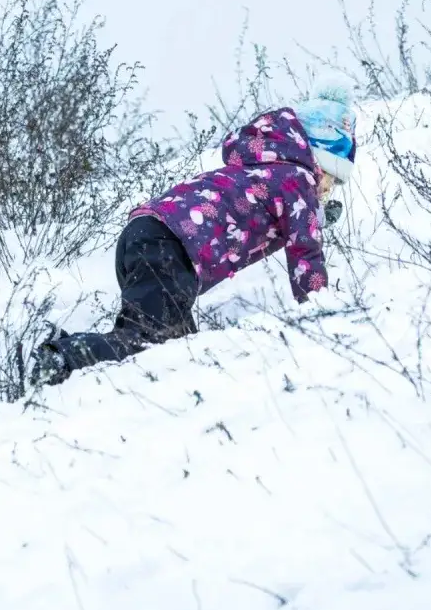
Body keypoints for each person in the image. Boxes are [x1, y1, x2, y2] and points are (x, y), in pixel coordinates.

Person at [29, 84, 358, 387]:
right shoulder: (297, 178)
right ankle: (60, 355)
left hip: (147, 236)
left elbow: (265, 213)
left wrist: (315, 217)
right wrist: (319, 310)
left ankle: (65, 365)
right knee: (148, 343)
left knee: (176, 355)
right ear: (320, 158)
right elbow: (305, 251)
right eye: (331, 179)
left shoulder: (268, 166)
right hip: (169, 247)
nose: (327, 189)